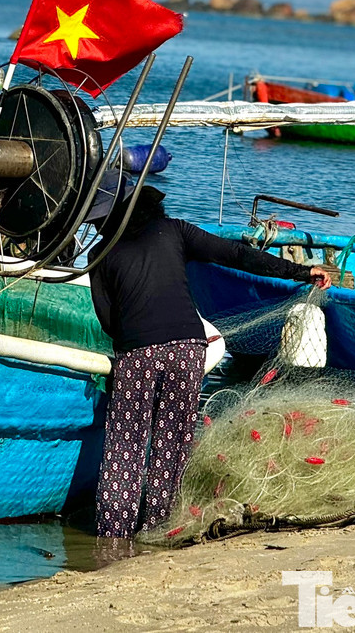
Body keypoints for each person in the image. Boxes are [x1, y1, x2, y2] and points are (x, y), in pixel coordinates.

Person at [87, 184, 329, 540]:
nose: (95, 229)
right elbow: (236, 255)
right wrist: (300, 272)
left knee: (126, 445)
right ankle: (157, 530)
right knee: (171, 444)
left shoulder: (100, 255)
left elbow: (109, 322)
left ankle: (113, 535)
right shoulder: (175, 231)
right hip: (187, 348)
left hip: (138, 352)